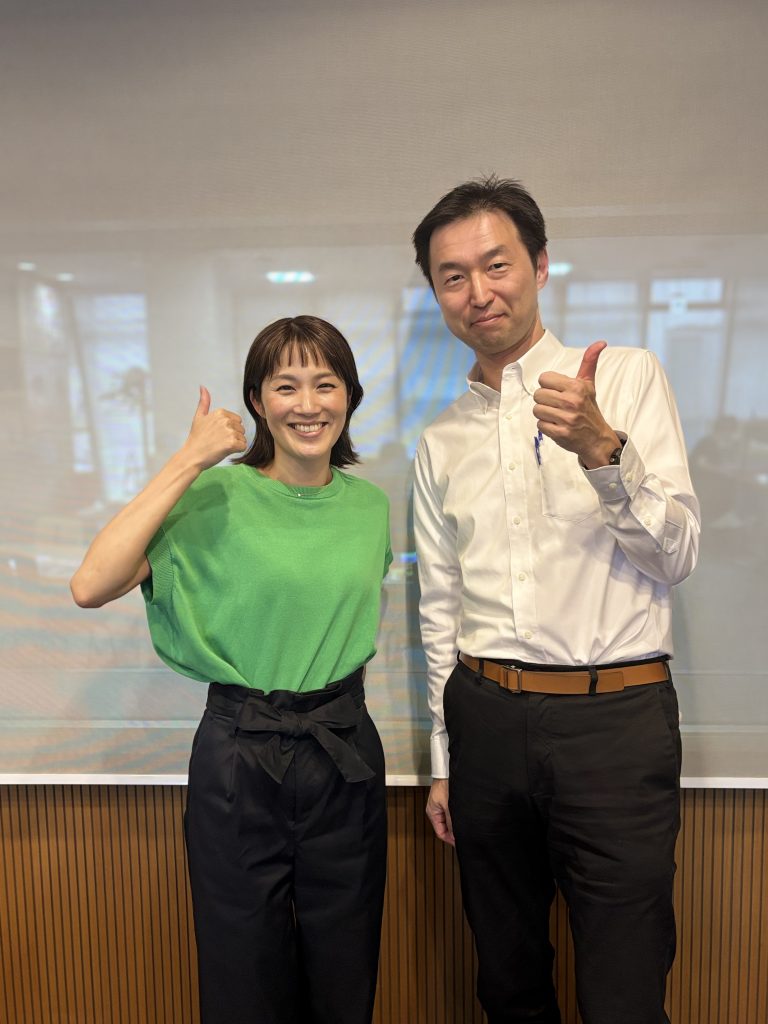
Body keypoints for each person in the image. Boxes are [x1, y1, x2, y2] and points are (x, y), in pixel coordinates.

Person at [411, 177, 700, 1024]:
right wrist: (443, 759)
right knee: (507, 981)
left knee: (625, 986)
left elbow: (678, 555)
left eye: (496, 265)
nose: (478, 291)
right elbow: (439, 608)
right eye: (453, 276)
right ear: (437, 294)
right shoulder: (440, 438)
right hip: (485, 721)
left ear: (539, 265)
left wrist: (603, 451)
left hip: (616, 722)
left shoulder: (627, 379)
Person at [70, 315, 392, 1024]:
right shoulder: (213, 497)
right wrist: (189, 460)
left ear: (349, 396)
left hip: (343, 749)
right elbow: (90, 584)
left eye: (325, 384)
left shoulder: (370, 507)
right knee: (242, 973)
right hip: (238, 754)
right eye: (286, 386)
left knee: (346, 969)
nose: (307, 404)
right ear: (256, 401)